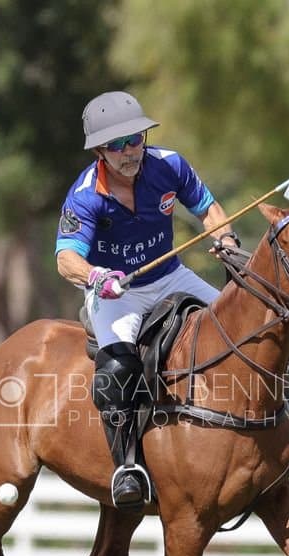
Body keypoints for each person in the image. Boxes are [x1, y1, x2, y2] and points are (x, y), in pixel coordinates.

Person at [55, 91, 240, 510]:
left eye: (135, 139)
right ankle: (128, 467)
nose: (129, 151)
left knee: (236, 324)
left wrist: (225, 239)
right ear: (101, 150)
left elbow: (208, 209)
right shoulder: (86, 195)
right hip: (118, 292)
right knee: (118, 367)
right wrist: (96, 277)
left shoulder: (170, 165)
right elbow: (66, 259)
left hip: (171, 275)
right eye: (117, 145)